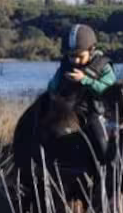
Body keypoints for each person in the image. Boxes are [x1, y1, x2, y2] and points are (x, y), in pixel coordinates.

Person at [45, 24, 117, 160]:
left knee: (103, 146)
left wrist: (85, 80)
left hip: (94, 113)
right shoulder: (66, 65)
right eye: (72, 56)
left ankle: (109, 171)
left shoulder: (104, 66)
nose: (75, 61)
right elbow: (52, 86)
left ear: (92, 49)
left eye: (80, 56)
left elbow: (108, 90)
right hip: (68, 111)